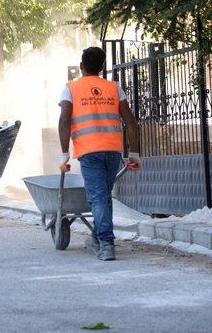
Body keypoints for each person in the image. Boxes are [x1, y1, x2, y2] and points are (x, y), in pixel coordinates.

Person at [58, 46, 141, 261]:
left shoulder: (71, 89)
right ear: (102, 68)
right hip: (113, 150)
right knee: (104, 196)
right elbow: (130, 121)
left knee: (97, 198)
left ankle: (106, 243)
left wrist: (63, 153)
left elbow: (64, 120)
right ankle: (96, 238)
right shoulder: (114, 88)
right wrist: (135, 153)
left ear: (81, 66)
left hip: (89, 151)